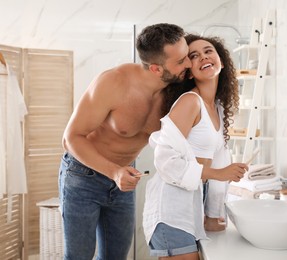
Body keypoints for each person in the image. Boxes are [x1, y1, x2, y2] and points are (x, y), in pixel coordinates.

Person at [58, 23, 192, 260]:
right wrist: (114, 172)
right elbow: (70, 138)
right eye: (181, 61)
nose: (188, 64)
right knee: (78, 256)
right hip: (83, 176)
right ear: (156, 69)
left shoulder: (176, 90)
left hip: (123, 181)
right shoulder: (113, 83)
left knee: (116, 257)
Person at [143, 34, 248, 260]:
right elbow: (165, 161)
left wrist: (212, 213)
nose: (204, 57)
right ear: (190, 71)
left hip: (192, 206)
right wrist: (219, 173)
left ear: (220, 59)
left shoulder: (218, 108)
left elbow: (219, 160)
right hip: (171, 209)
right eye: (194, 56)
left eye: (208, 51)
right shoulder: (190, 102)